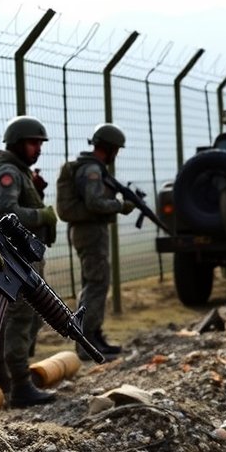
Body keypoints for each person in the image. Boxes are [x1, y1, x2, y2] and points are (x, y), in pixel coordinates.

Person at [0, 115, 58, 407]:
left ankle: (0, 380)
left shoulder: (19, 171)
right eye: (32, 142)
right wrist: (42, 215)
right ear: (16, 143)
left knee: (10, 318)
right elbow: (5, 211)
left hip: (18, 255)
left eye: (39, 143)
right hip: (16, 257)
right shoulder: (8, 172)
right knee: (22, 317)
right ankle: (21, 385)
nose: (37, 148)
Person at [66, 123, 135, 362]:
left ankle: (94, 335)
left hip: (90, 231)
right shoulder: (92, 170)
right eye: (116, 149)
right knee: (95, 284)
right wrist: (120, 206)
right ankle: (86, 341)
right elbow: (94, 202)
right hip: (90, 232)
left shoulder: (93, 168)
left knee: (94, 284)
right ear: (109, 148)